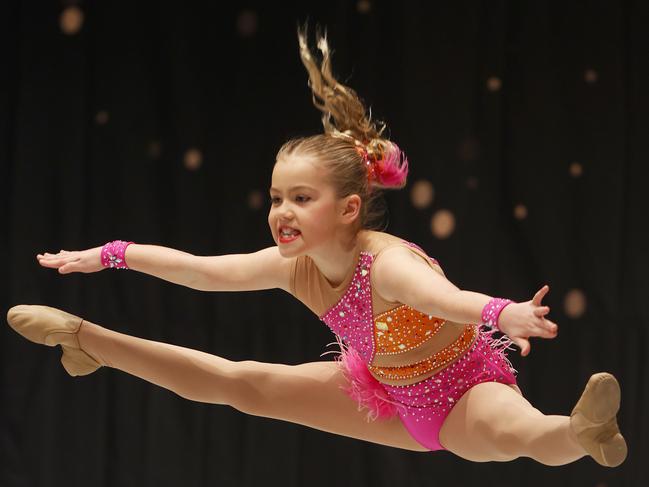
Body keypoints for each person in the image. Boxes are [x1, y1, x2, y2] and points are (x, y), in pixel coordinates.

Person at [6, 24, 626, 468]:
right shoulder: (293, 266)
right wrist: (110, 255)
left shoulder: (388, 266)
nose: (281, 212)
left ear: (349, 208)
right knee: (242, 384)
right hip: (383, 391)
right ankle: (84, 340)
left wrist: (504, 313)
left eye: (301, 199)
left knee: (515, 431)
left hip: (459, 389)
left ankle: (582, 431)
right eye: (277, 198)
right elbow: (199, 271)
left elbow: (450, 298)